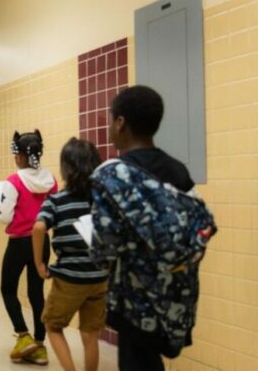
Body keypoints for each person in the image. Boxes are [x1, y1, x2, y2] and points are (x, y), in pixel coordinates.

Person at [90, 86, 197, 371]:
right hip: (173, 292)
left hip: (132, 298)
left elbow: (104, 250)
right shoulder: (179, 171)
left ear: (121, 123)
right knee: (151, 361)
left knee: (136, 361)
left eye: (111, 119)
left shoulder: (112, 174)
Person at [32, 138, 108, 371]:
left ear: (66, 168)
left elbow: (38, 228)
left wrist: (39, 264)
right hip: (99, 277)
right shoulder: (102, 200)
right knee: (90, 334)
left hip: (69, 278)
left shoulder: (56, 200)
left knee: (52, 326)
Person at [0, 130, 57, 365]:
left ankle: (23, 336)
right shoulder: (51, 179)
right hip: (42, 243)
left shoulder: (13, 181)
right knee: (36, 293)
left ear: (21, 156)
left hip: (19, 242)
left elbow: (4, 217)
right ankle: (40, 346)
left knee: (8, 289)